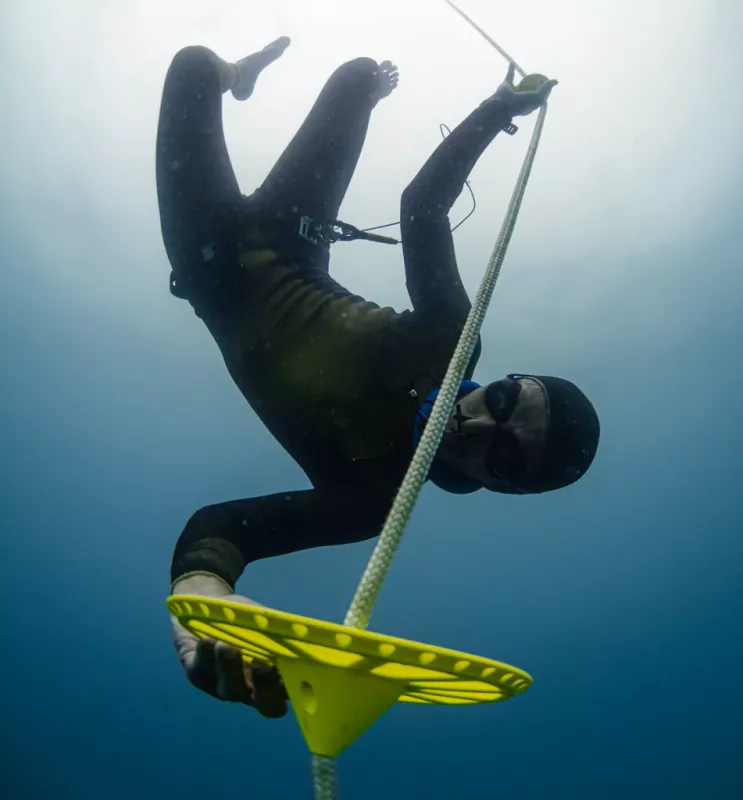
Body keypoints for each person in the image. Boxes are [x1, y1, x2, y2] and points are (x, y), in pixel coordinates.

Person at [156, 37, 600, 719]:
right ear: (504, 377)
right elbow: (423, 207)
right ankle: (239, 74)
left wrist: (204, 602)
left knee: (189, 68)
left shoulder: (369, 499)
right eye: (506, 398)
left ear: (496, 485)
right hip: (295, 237)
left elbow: (224, 530)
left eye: (505, 453)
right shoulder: (451, 337)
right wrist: (496, 109)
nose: (479, 422)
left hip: (209, 258)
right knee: (360, 75)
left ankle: (220, 73)